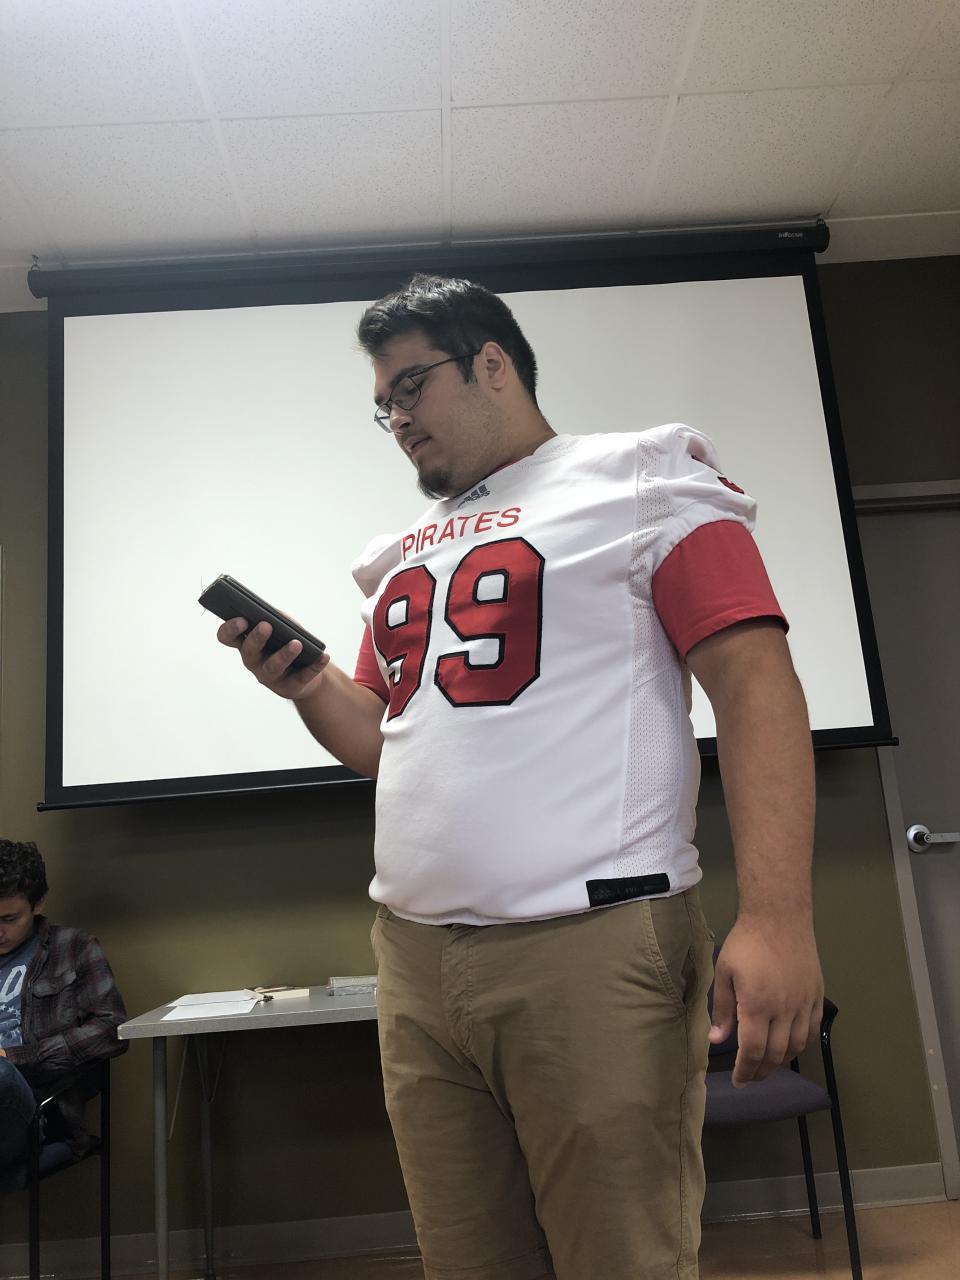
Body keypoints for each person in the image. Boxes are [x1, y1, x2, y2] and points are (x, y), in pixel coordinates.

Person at [217, 274, 824, 1280]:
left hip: (589, 943)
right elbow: (386, 742)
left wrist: (779, 917)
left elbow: (754, 683)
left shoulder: (642, 477)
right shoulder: (403, 553)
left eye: (411, 386)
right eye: (383, 403)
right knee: (467, 1262)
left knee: (621, 1260)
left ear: (492, 362)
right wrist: (309, 686)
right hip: (414, 957)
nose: (397, 417)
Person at [0, 839, 128, 1185]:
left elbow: (111, 1030)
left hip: (34, 1108)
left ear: (38, 903)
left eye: (9, 918)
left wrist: (15, 1057)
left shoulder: (72, 948)